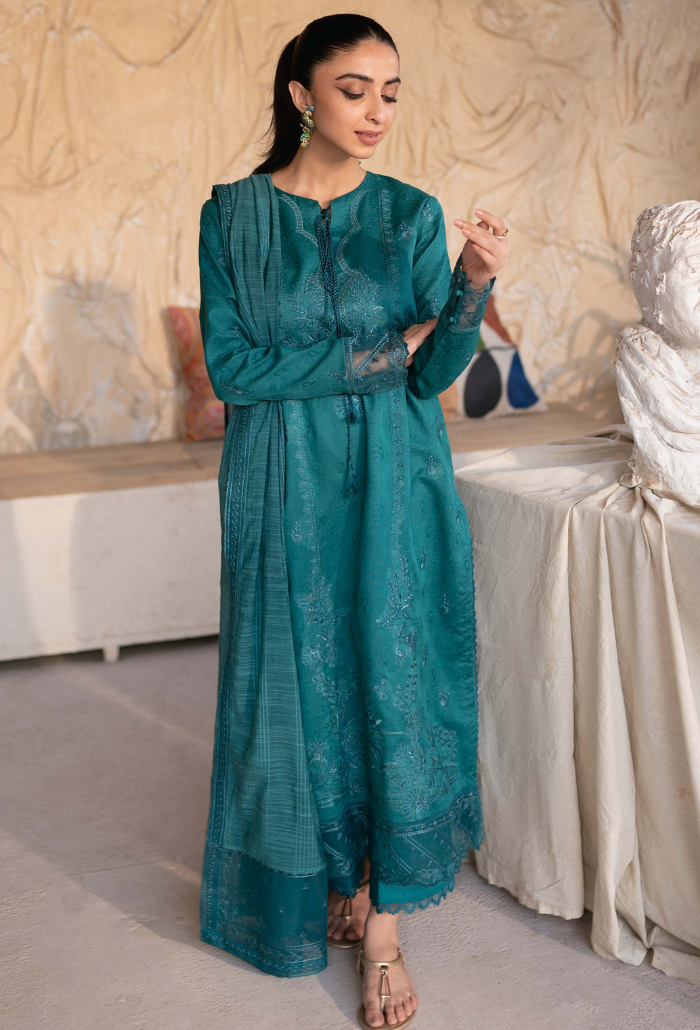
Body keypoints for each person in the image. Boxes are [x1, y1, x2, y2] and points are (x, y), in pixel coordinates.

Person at [197, 14, 508, 1029]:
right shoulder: (232, 216)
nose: (377, 112)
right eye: (353, 89)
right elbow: (235, 370)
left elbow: (431, 371)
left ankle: (382, 920)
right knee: (299, 679)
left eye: (391, 92)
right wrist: (376, 351)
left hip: (394, 479)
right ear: (301, 95)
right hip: (279, 482)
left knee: (389, 674)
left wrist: (468, 285)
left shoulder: (412, 213)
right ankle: (332, 869)